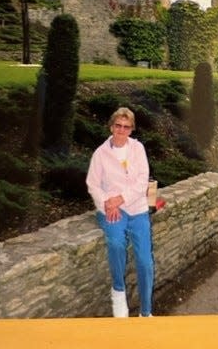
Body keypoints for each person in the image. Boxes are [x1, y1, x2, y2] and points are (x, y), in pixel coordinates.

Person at [86, 107, 154, 317]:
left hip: (136, 208)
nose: (121, 130)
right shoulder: (100, 153)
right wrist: (108, 203)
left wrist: (121, 198)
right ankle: (118, 292)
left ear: (131, 129)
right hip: (111, 210)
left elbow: (143, 180)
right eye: (118, 125)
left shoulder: (138, 149)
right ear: (111, 126)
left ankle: (146, 312)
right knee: (116, 243)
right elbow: (92, 184)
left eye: (126, 126)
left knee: (145, 260)